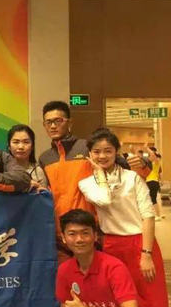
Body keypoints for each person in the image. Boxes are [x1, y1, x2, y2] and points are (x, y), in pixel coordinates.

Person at [78, 128, 171, 307]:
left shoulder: (132, 178)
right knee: (118, 306)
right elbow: (105, 200)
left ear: (116, 151)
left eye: (108, 151)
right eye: (96, 152)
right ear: (89, 154)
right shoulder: (87, 183)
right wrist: (99, 174)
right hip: (111, 248)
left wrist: (146, 253)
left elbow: (148, 216)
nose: (102, 156)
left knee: (156, 306)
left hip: (141, 244)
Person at [38, 101, 150, 264]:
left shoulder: (87, 148)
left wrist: (144, 164)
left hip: (90, 228)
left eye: (58, 121)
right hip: (61, 231)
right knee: (67, 275)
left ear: (70, 122)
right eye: (48, 122)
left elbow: (121, 163)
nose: (53, 126)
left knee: (95, 275)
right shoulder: (45, 158)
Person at [7, 124, 47, 190]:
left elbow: (44, 195)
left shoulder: (38, 171)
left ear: (32, 146)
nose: (21, 147)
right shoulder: (2, 170)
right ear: (9, 146)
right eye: (16, 142)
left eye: (26, 142)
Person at [145, 147, 164, 221]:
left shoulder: (157, 162)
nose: (151, 157)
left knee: (153, 199)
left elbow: (153, 154)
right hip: (151, 182)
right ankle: (155, 214)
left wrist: (147, 148)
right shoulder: (152, 164)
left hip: (153, 182)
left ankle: (158, 215)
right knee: (151, 199)